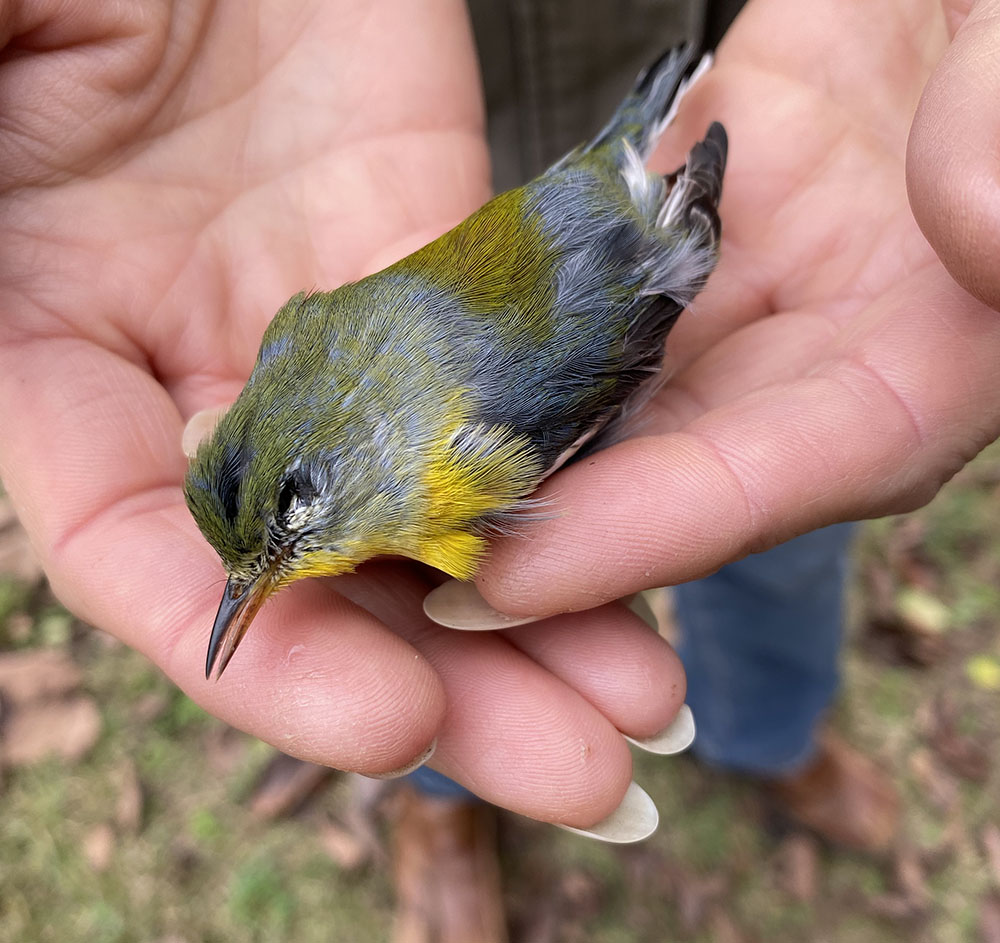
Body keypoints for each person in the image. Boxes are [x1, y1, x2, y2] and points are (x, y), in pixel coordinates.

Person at [0, 0, 998, 938]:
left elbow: (625, 333)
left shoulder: (459, 452)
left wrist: (684, 206)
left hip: (616, 236)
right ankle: (445, 799)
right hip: (516, 146)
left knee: (767, 532)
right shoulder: (305, 359)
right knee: (431, 670)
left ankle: (774, 737)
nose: (265, 575)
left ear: (329, 466)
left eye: (286, 531)